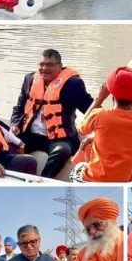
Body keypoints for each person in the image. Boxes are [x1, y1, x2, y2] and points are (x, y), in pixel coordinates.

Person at [10, 49, 93, 179]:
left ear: (60, 66)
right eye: (42, 64)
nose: (44, 69)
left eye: (50, 65)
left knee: (62, 151)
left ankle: (43, 180)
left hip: (59, 138)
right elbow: (19, 107)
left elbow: (90, 110)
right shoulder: (29, 79)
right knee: (5, 143)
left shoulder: (73, 84)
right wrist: (14, 124)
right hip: (30, 134)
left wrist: (101, 100)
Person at [71, 67, 132, 182]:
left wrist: (98, 99)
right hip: (123, 181)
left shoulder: (99, 115)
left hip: (93, 180)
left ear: (111, 92)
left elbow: (81, 129)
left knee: (78, 167)